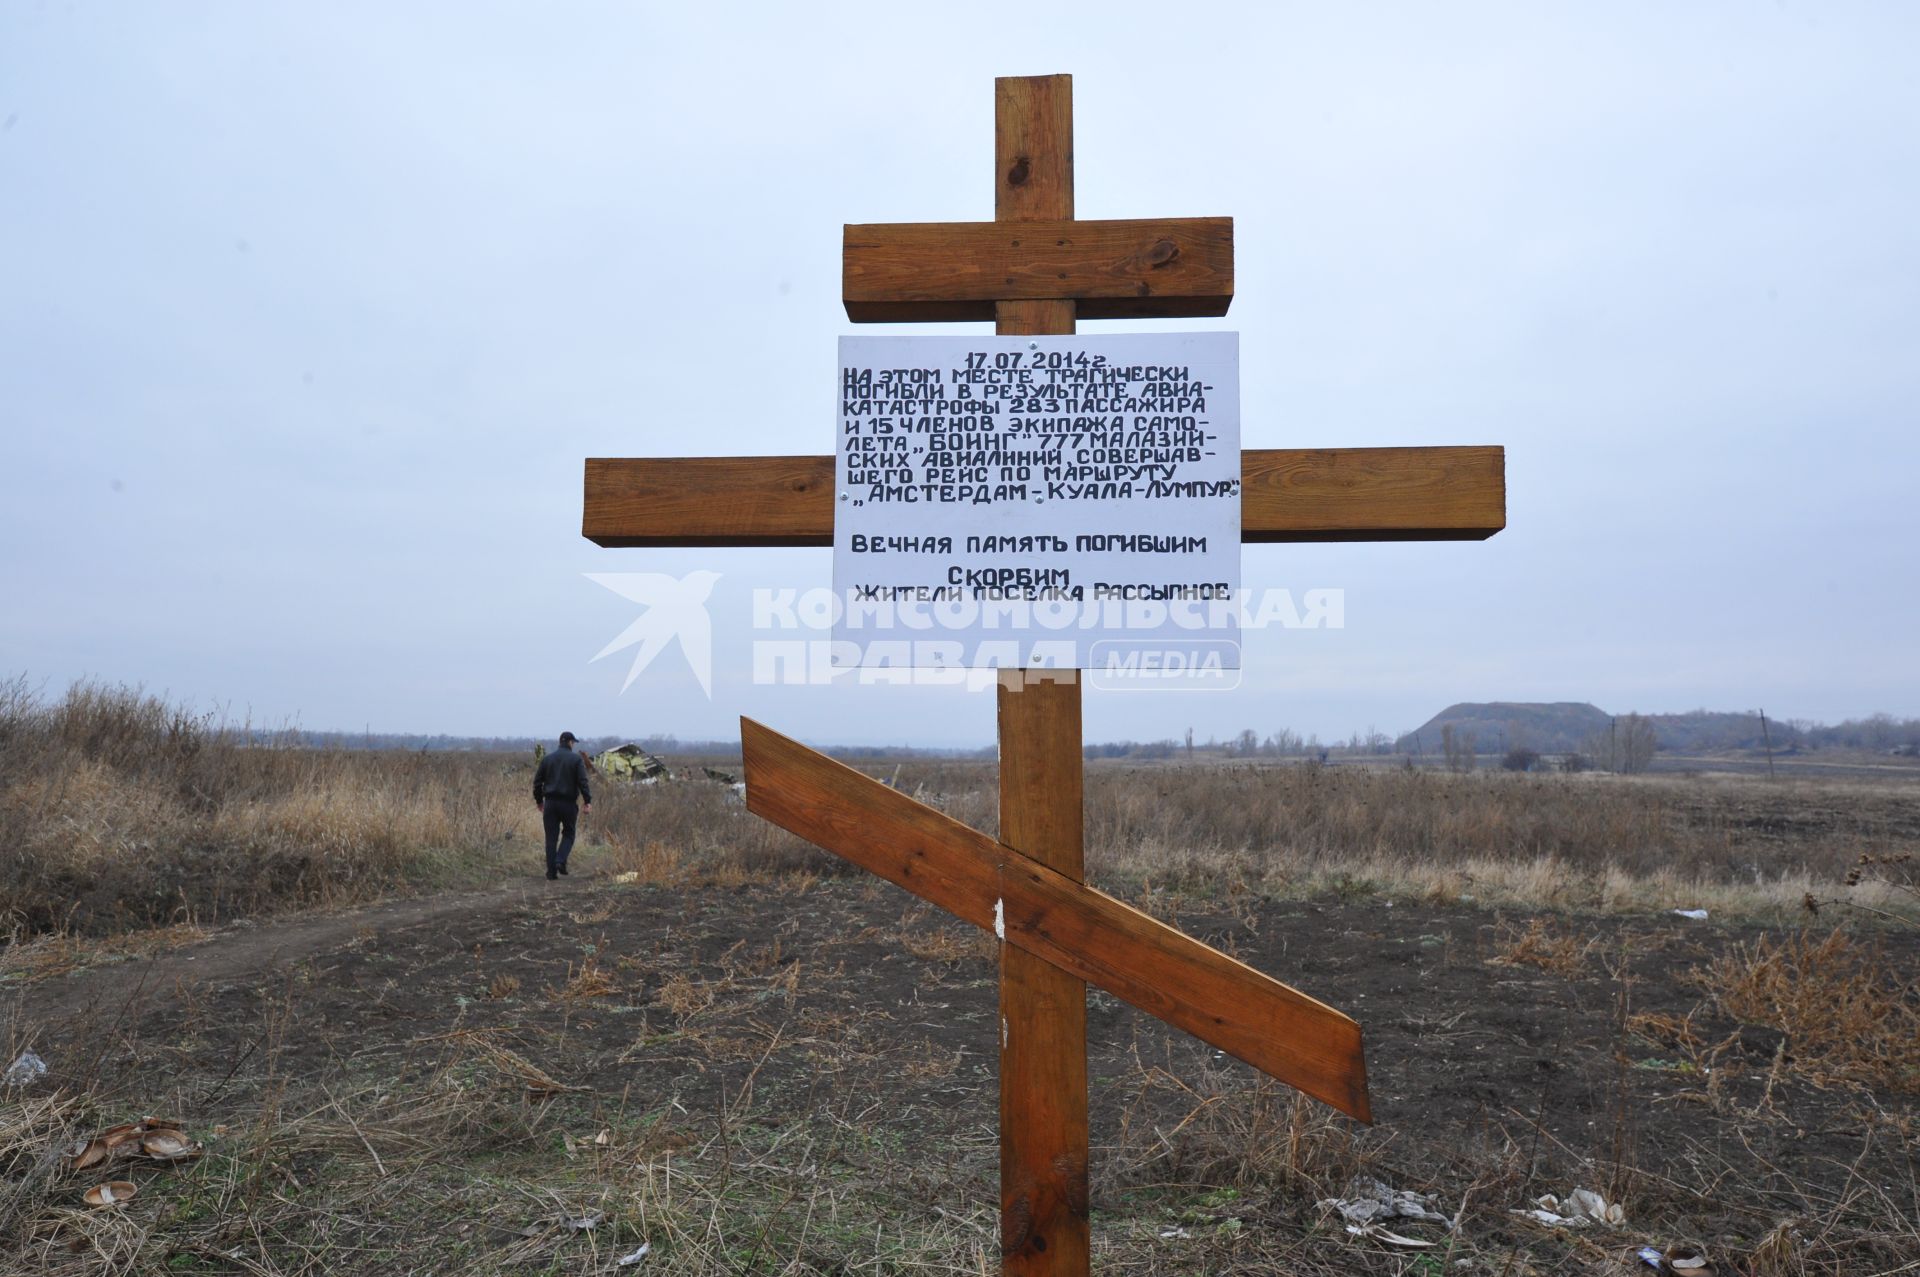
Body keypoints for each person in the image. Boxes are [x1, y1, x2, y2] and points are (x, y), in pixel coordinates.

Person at [533, 731, 592, 880]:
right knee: (569, 834)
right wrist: (587, 801)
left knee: (551, 838)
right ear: (570, 743)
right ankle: (560, 860)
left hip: (550, 803)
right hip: (568, 804)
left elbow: (537, 783)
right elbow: (582, 782)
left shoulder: (547, 759)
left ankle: (551, 873)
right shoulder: (576, 760)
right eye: (573, 742)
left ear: (560, 742)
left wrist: (539, 801)